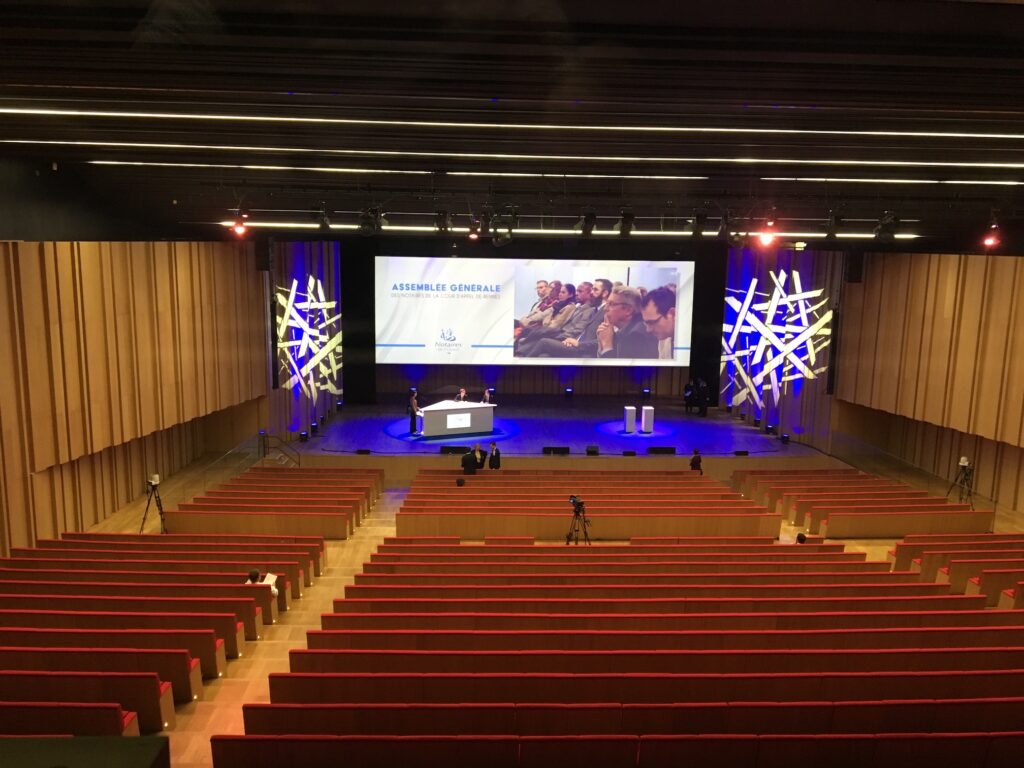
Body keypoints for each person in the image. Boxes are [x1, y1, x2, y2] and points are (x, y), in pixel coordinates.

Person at [595, 286, 659, 359]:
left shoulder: (636, 336)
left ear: (628, 310)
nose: (605, 309)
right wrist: (602, 343)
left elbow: (618, 370)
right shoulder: (625, 330)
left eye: (611, 304)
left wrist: (607, 345)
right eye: (607, 304)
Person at [640, 285, 677, 359]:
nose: (648, 330)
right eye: (646, 323)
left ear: (672, 314)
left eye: (651, 322)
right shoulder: (663, 340)